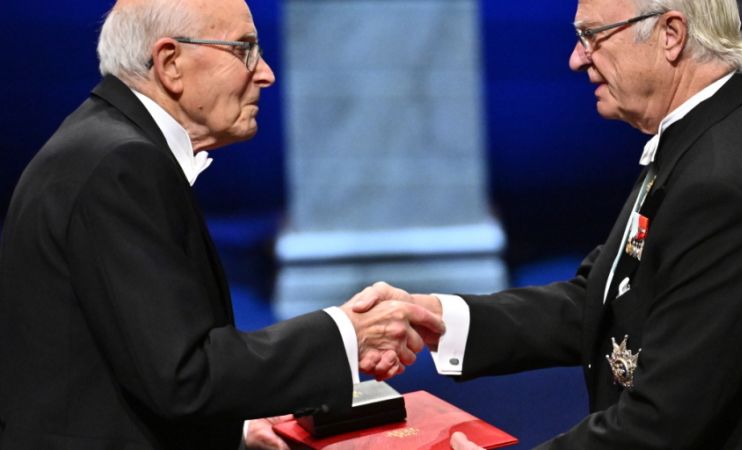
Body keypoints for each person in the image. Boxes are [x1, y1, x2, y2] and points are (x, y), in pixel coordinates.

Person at [353, 0, 742, 448]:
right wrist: (438, 319)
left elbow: (661, 423)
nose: (576, 58)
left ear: (671, 34)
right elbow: (600, 301)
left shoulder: (727, 183)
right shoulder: (704, 136)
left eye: (592, 36)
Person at [0, 0, 441, 449]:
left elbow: (129, 362)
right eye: (245, 49)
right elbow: (183, 376)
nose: (266, 73)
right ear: (171, 63)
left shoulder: (103, 143)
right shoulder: (120, 164)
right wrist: (348, 333)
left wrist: (238, 428)